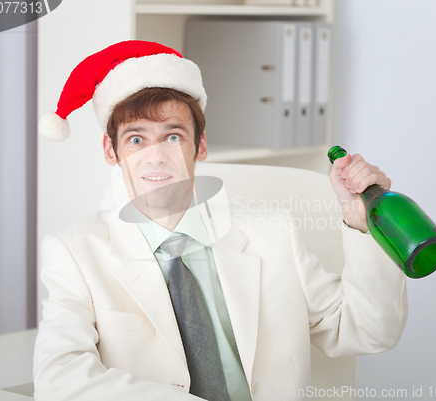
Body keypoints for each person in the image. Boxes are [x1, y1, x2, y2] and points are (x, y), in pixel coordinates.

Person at [34, 41, 408, 401]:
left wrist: (362, 223)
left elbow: (370, 332)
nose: (155, 157)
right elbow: (59, 379)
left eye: (173, 136)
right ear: (110, 151)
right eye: (135, 140)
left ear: (200, 147)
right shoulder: (74, 252)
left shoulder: (272, 233)